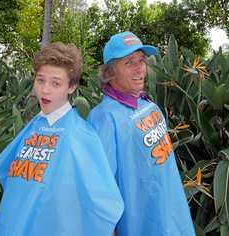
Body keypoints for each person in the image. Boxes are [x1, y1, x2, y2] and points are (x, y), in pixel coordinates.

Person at [0, 42, 124, 236]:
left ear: (71, 87)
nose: (45, 90)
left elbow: (102, 205)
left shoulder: (82, 136)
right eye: (40, 80)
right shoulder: (34, 126)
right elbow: (10, 177)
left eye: (56, 83)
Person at [87, 31, 195, 236]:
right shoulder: (103, 118)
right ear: (110, 72)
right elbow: (99, 192)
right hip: (143, 225)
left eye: (141, 60)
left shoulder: (149, 105)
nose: (139, 69)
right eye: (129, 63)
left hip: (174, 218)